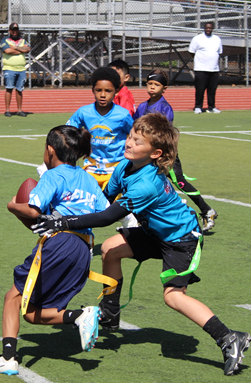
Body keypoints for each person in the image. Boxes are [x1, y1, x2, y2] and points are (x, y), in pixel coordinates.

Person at [30, 113, 251, 376]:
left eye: (138, 141)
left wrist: (62, 223)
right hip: (155, 233)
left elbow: (107, 217)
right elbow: (102, 202)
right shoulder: (124, 167)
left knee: (173, 297)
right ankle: (110, 314)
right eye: (130, 136)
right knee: (111, 250)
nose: (129, 143)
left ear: (156, 153)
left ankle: (227, 337)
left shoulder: (146, 184)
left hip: (180, 239)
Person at [0, 125, 109, 376]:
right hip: (83, 249)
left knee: (12, 298)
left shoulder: (53, 176)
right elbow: (103, 212)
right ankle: (77, 316)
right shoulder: (88, 178)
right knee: (30, 312)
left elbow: (32, 210)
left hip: (60, 244)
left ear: (50, 150)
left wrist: (12, 206)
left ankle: (8, 358)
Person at [133, 70, 218, 233]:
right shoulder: (143, 106)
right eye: (150, 84)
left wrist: (164, 153)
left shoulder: (165, 108)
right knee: (145, 185)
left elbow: (164, 134)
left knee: (179, 182)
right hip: (147, 155)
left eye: (156, 85)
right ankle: (142, 222)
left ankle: (206, 210)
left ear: (164, 88)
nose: (152, 87)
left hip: (164, 154)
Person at [66, 67, 133, 192]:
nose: (103, 95)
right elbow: (67, 133)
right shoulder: (83, 112)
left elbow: (135, 135)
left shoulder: (123, 115)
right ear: (92, 90)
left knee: (114, 207)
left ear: (116, 91)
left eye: (108, 91)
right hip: (90, 169)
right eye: (98, 90)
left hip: (116, 169)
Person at [189, 22, 223, 114]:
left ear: (212, 29)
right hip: (201, 69)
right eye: (207, 28)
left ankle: (212, 107)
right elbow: (191, 52)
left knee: (212, 90)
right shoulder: (197, 39)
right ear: (204, 28)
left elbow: (219, 52)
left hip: (214, 69)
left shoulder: (217, 39)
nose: (208, 29)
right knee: (200, 90)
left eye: (210, 28)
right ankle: (198, 107)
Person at [2, 23, 30, 117]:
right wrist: (20, 50)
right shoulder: (5, 40)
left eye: (16, 30)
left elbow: (27, 49)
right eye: (13, 30)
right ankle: (7, 110)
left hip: (21, 69)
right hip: (9, 68)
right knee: (9, 89)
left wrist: (16, 48)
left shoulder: (22, 40)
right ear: (10, 31)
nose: (15, 32)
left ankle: (19, 110)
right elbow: (7, 51)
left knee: (19, 89)